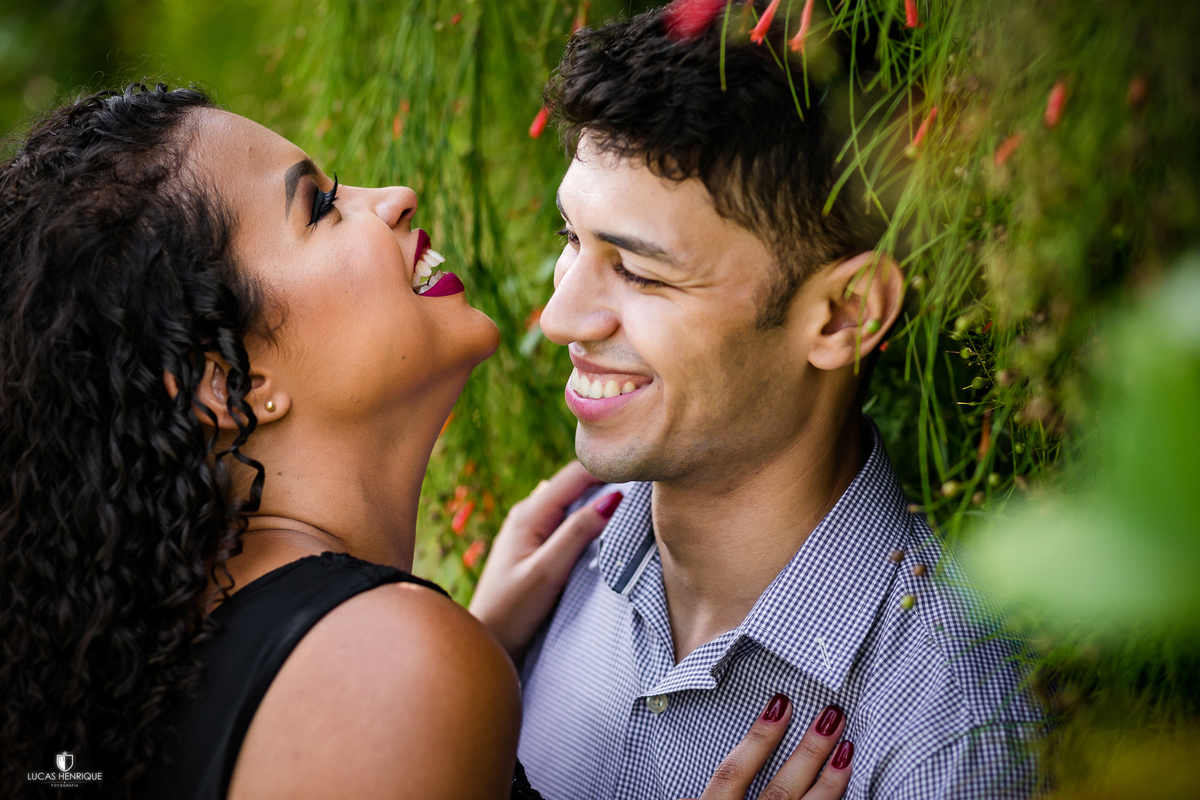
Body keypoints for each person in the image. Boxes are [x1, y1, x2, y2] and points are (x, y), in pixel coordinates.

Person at [0, 83, 854, 800]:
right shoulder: (388, 668)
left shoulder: (188, 646)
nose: (396, 195)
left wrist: (460, 652)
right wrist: (417, 672)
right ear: (228, 386)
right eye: (321, 207)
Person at [470, 3, 1046, 799]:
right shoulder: (549, 576)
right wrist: (463, 677)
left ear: (845, 315)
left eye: (639, 272)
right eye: (572, 238)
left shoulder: (951, 734)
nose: (561, 315)